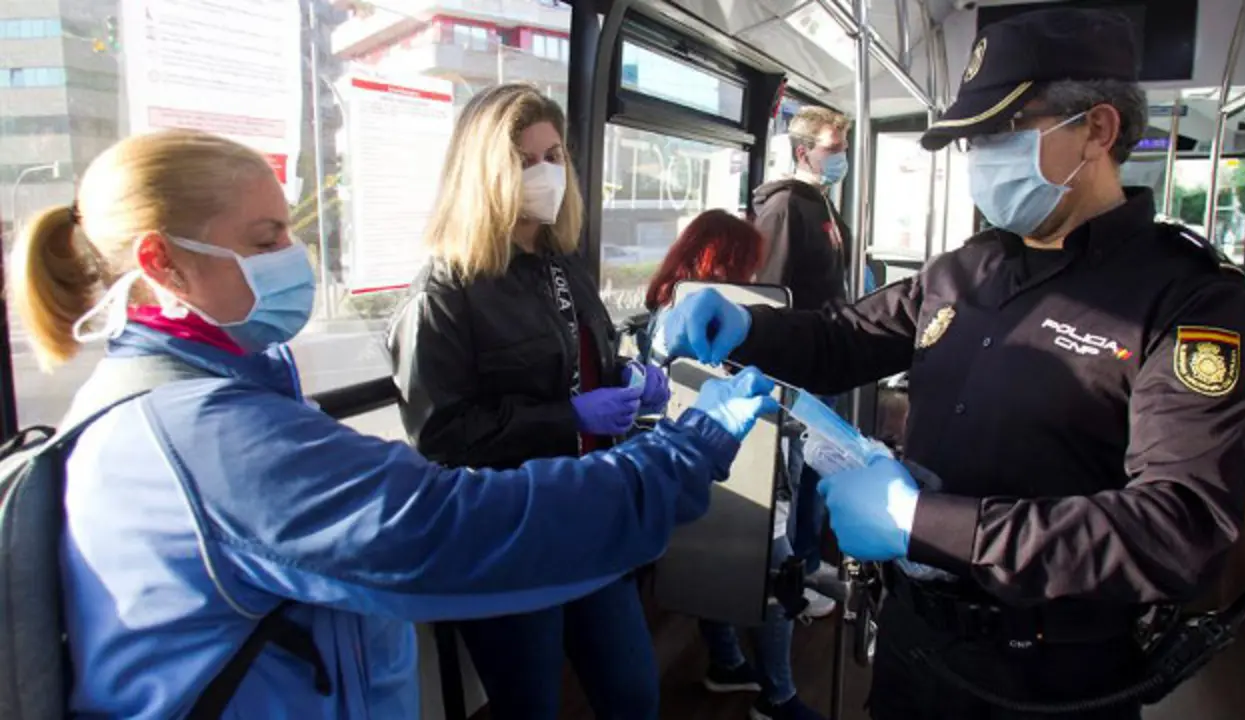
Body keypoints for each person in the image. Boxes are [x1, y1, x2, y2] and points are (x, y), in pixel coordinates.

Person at [11, 127, 778, 718]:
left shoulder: (211, 393)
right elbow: (448, 516)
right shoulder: (204, 432)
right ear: (163, 263)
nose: (293, 254)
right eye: (264, 239)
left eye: (287, 229)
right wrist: (684, 451)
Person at [659, 8, 1245, 719]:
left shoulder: (1183, 298)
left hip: (1049, 673)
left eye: (1001, 133)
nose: (980, 158)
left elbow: (1178, 527)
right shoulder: (967, 268)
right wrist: (745, 329)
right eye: (973, 140)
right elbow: (842, 339)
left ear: (1097, 130)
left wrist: (925, 522)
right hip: (915, 643)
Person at [387, 83, 673, 720]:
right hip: (510, 531)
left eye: (554, 156)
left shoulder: (560, 261)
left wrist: (628, 379)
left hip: (589, 507)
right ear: (485, 172)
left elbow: (578, 360)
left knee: (633, 693)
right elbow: (441, 434)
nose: (547, 174)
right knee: (530, 705)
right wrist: (565, 417)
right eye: (524, 161)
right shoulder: (445, 290)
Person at [641, 209, 825, 720]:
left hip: (693, 469)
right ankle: (779, 697)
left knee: (708, 569)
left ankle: (725, 662)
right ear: (726, 262)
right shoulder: (711, 322)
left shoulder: (664, 313)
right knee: (779, 585)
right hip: (746, 469)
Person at [753, 106, 884, 621]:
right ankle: (790, 573)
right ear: (804, 151)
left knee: (815, 473)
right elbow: (771, 293)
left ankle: (807, 562)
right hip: (797, 366)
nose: (841, 158)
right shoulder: (786, 207)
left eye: (844, 148)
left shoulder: (821, 204)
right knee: (792, 474)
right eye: (834, 148)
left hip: (825, 358)